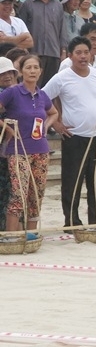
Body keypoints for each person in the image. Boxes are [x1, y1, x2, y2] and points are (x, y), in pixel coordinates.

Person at [44, 36, 96, 229]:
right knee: (72, 181)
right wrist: (57, 124)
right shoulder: (62, 77)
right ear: (70, 56)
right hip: (73, 137)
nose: (83, 56)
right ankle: (72, 221)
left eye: (86, 52)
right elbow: (43, 99)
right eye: (78, 53)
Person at [0, 54, 58, 233]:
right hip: (17, 151)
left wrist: (45, 128)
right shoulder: (12, 92)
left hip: (41, 150)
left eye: (35, 67)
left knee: (36, 194)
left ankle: (31, 235)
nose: (32, 71)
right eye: (28, 67)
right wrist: (8, 129)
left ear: (40, 71)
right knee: (18, 194)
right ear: (21, 72)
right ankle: (12, 236)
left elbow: (53, 113)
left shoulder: (42, 95)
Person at [18, 0, 65, 85]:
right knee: (33, 86)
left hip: (54, 54)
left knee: (52, 87)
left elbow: (62, 30)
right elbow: (22, 29)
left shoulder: (58, 6)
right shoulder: (27, 5)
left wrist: (63, 52)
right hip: (34, 54)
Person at [0, 57, 19, 231]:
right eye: (2, 73)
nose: (6, 76)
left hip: (13, 149)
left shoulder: (16, 92)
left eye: (9, 72)